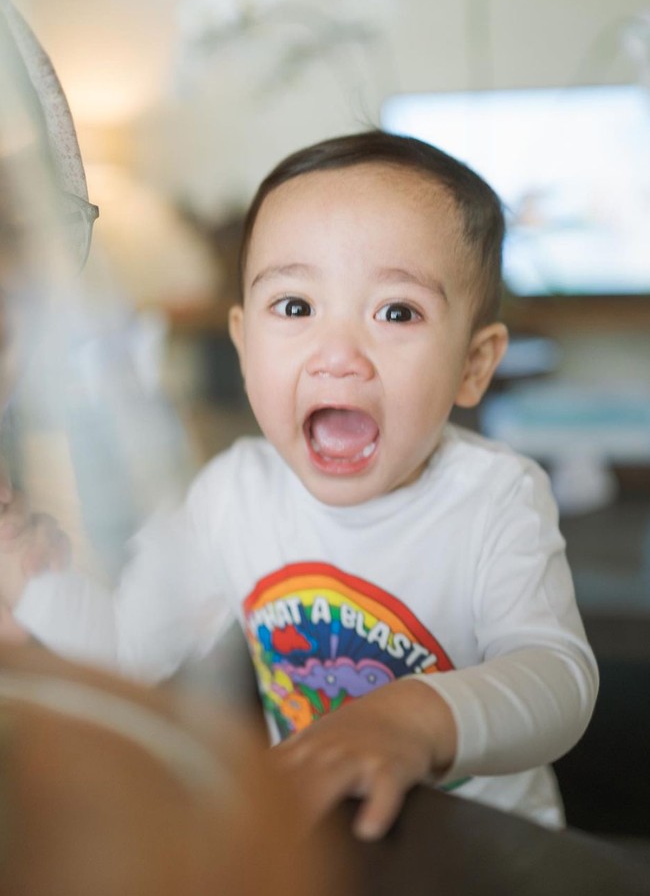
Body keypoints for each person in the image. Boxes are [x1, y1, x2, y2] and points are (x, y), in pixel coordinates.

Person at [5, 130, 598, 842]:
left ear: (475, 364)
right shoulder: (231, 496)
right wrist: (27, 583)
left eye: (396, 312)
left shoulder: (497, 496)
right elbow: (128, 649)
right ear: (244, 341)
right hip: (324, 836)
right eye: (294, 307)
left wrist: (414, 717)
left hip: (489, 846)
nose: (338, 355)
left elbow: (559, 677)